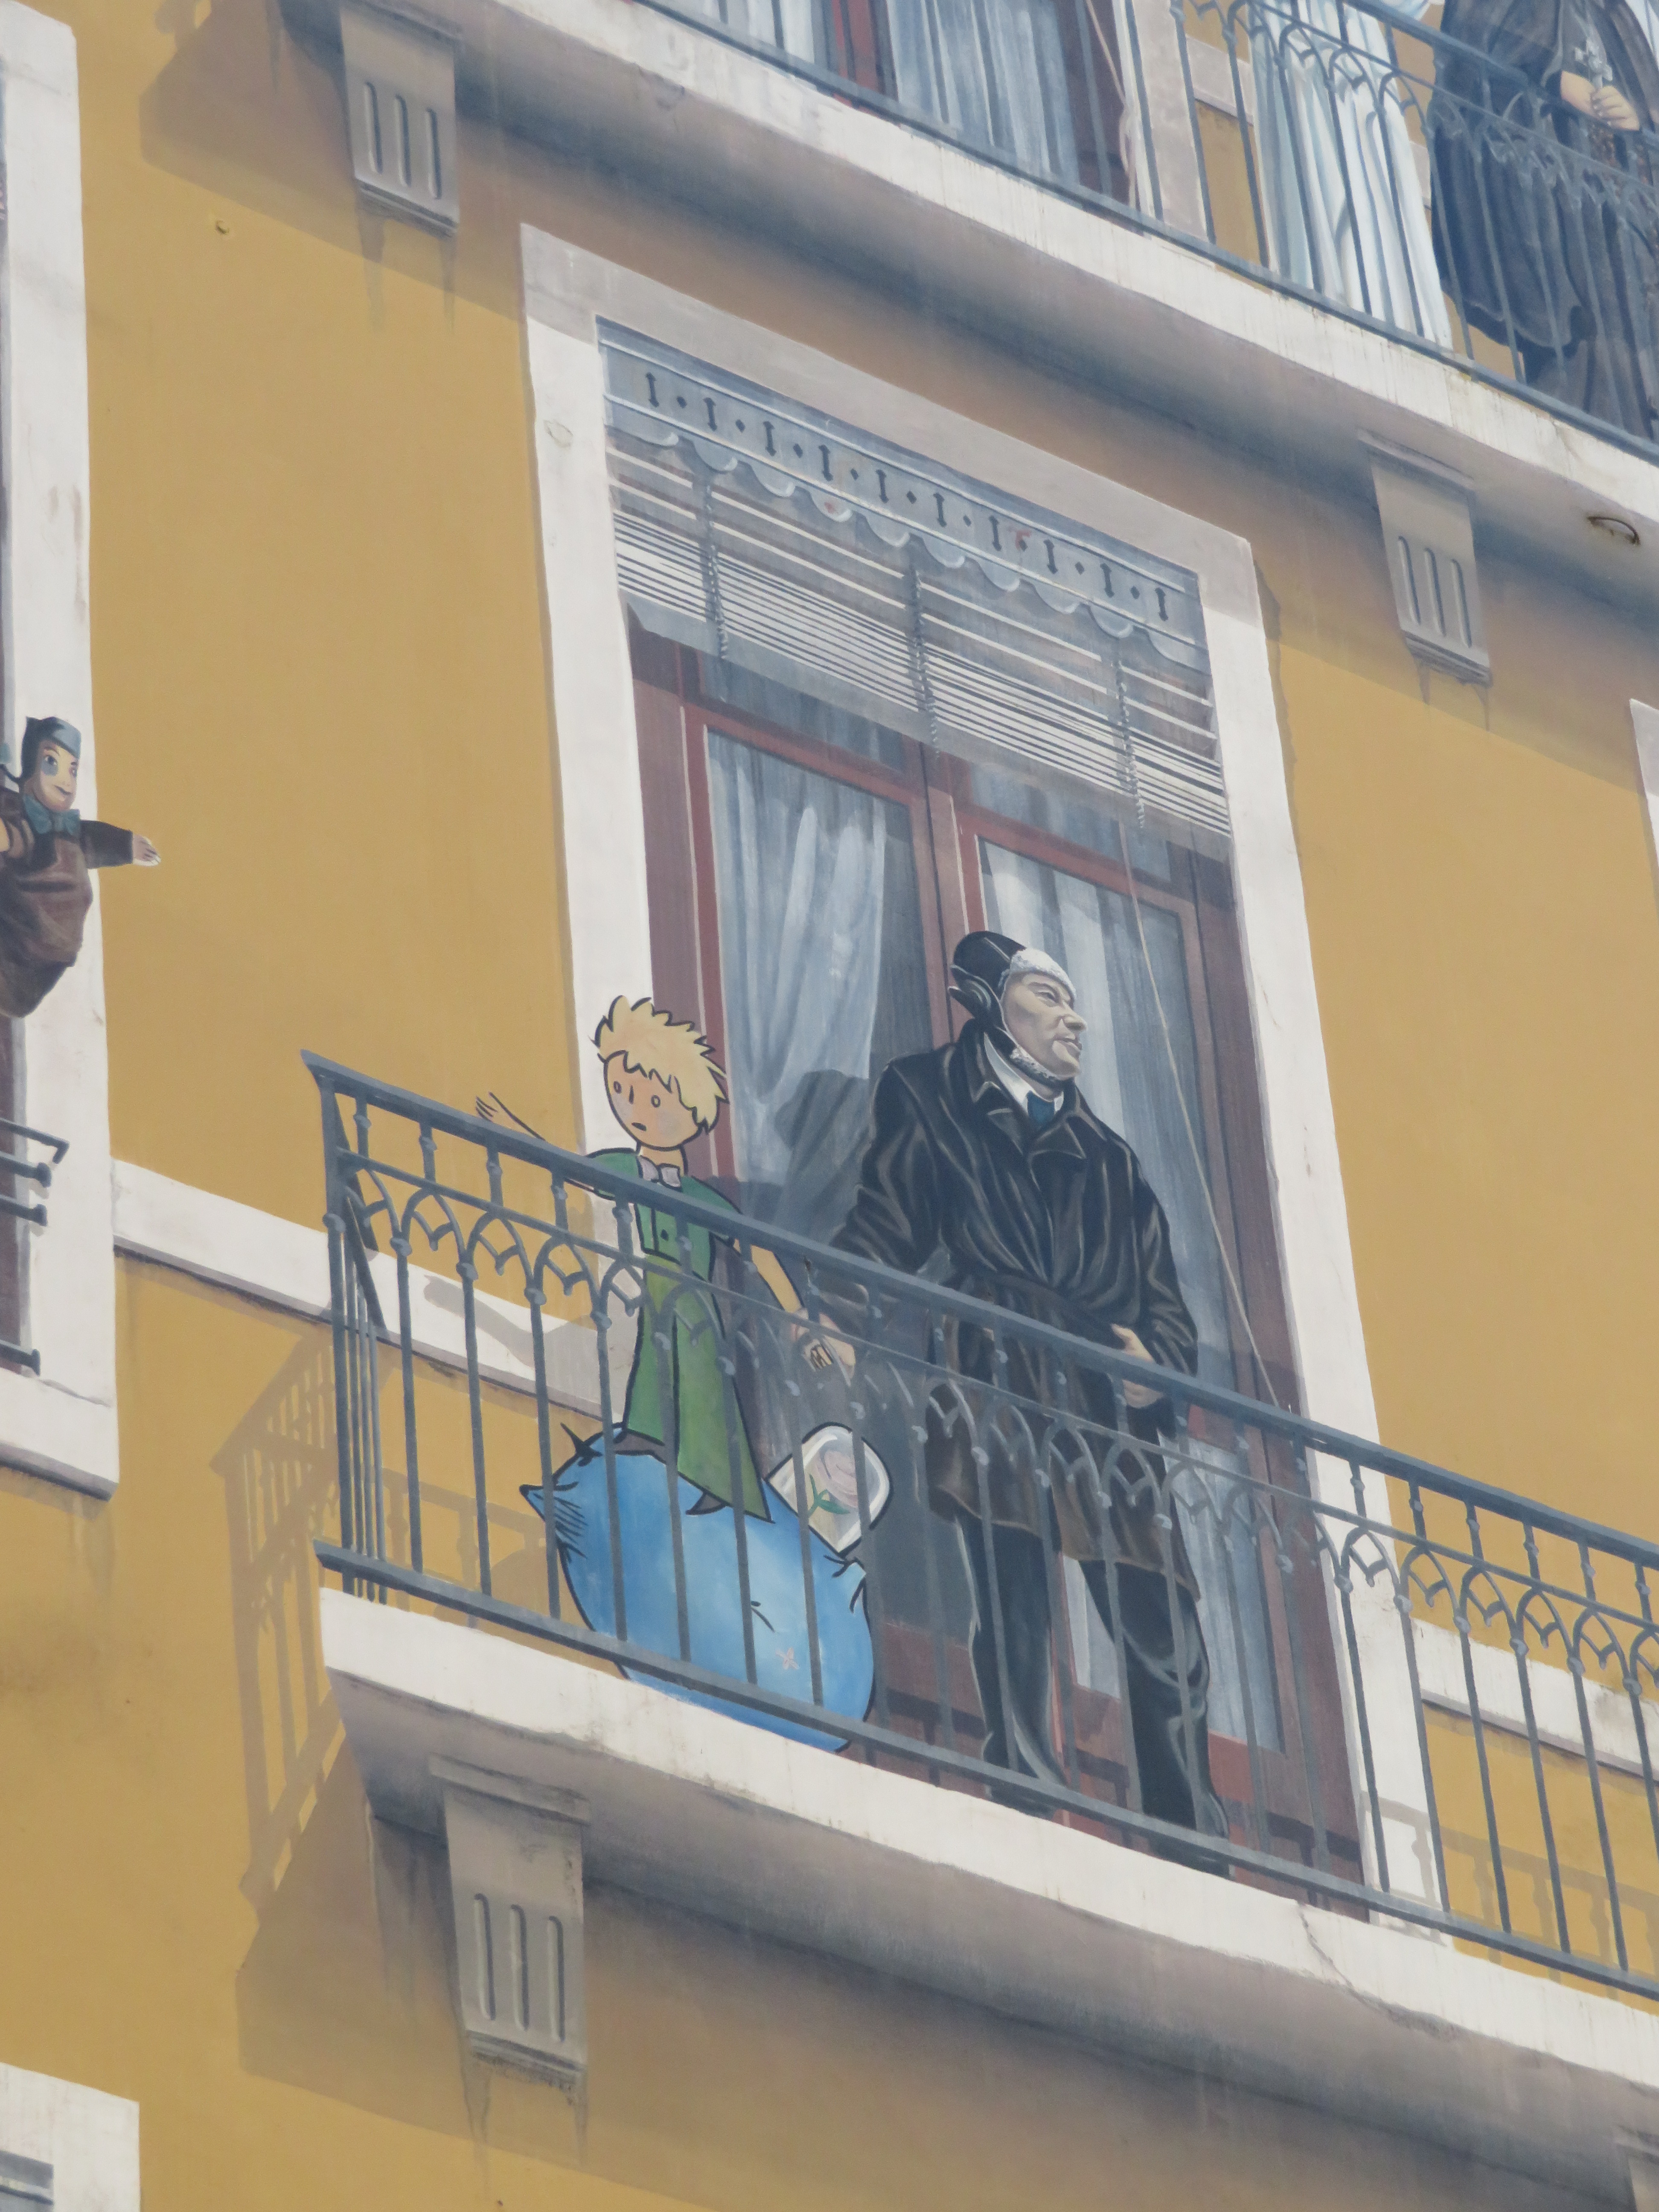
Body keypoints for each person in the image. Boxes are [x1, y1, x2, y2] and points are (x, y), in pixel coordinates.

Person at [833, 931, 1228, 1846]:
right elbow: (887, 1222)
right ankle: (1026, 1794)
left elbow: (1166, 1311)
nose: (1073, 1018)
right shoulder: (929, 1095)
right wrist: (835, 1309)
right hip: (996, 1367)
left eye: (1074, 1001)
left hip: (1105, 1400)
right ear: (989, 1005)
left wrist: (1156, 1368)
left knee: (1163, 1628)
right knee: (1011, 1599)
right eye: (1049, 997)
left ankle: (1189, 1835)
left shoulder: (1111, 1159)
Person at [520, 995, 874, 1748]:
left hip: (698, 1311)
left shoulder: (708, 1199)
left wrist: (799, 1316)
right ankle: (655, 1442)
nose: (637, 1108)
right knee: (656, 1378)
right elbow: (582, 1170)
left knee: (702, 1390)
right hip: (660, 1299)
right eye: (624, 1092)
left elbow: (760, 1255)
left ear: (690, 1108)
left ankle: (713, 1476)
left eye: (653, 1096)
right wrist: (519, 1141)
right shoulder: (631, 1169)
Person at [1429, 0, 1659, 437]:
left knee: (1630, 316)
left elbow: (1647, 103)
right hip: (1556, 197)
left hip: (1620, 204)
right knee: (1581, 340)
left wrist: (1633, 116)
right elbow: (1473, 40)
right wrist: (1559, 80)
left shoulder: (1613, 14)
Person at [0, 716, 159, 1018]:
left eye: (72, 770)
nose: (66, 781)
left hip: (49, 966)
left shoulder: (71, 832)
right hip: (18, 956)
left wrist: (126, 845)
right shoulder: (26, 826)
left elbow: (93, 839)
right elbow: (12, 836)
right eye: (51, 763)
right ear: (30, 772)